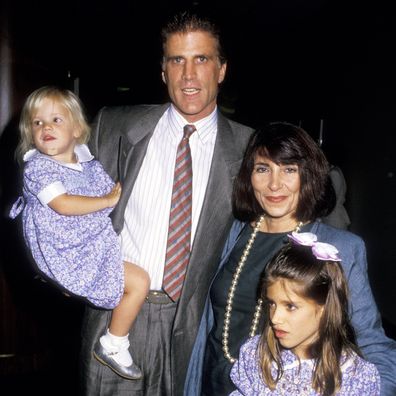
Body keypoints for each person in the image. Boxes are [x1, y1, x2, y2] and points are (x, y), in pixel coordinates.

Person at [79, 11, 254, 396]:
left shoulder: (249, 149)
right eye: (177, 60)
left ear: (222, 70)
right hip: (116, 317)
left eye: (201, 59)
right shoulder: (115, 127)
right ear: (163, 71)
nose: (188, 75)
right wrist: (65, 272)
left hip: (196, 326)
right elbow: (54, 198)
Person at [185, 122, 396, 395]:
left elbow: (373, 344)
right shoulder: (229, 234)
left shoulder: (340, 248)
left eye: (289, 169)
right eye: (263, 169)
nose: (274, 184)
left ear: (308, 175)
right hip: (211, 384)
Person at [9, 86, 150, 380]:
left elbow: (110, 189)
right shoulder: (38, 167)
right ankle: (114, 343)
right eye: (37, 122)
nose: (46, 127)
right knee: (139, 282)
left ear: (76, 129)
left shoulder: (86, 163)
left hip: (89, 243)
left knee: (135, 279)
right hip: (67, 251)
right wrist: (107, 201)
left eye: (56, 120)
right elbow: (63, 204)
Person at [230, 233, 380, 395]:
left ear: (324, 308)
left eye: (290, 306)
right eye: (272, 303)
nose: (275, 318)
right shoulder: (256, 355)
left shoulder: (355, 377)